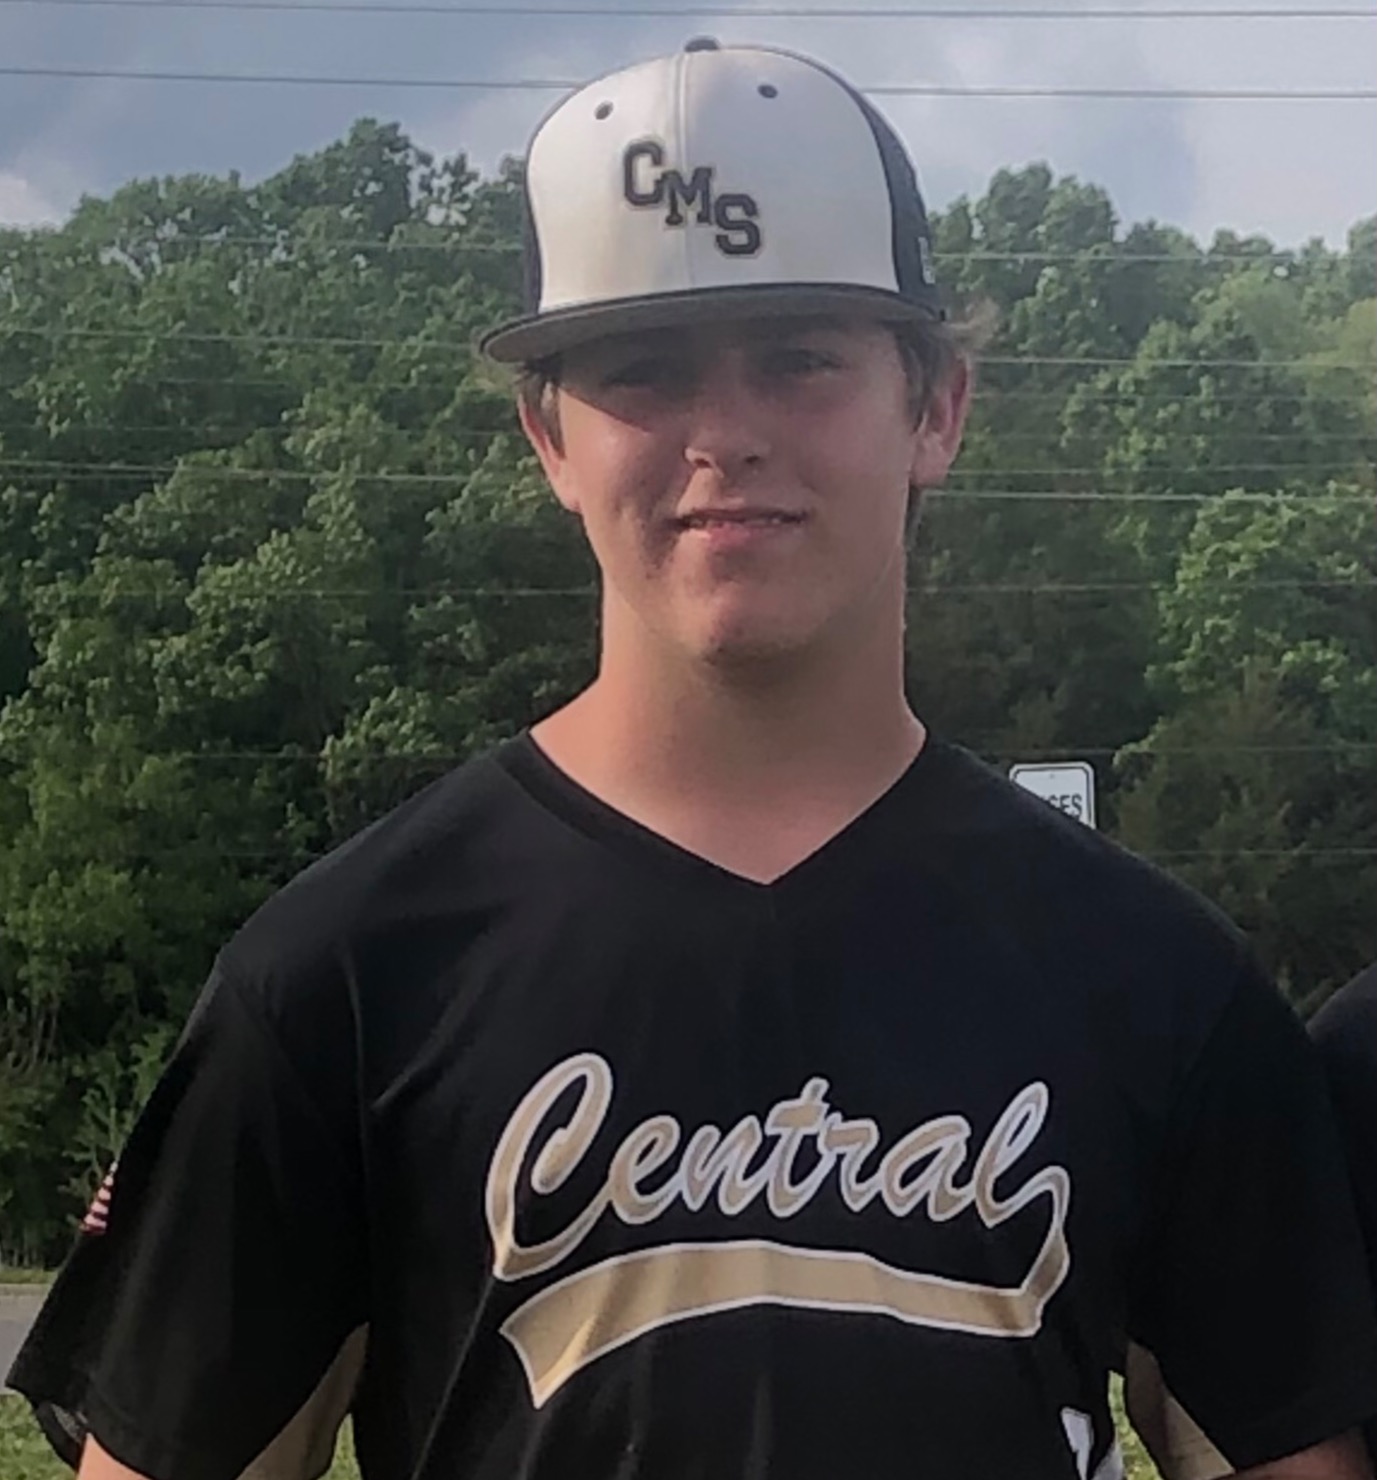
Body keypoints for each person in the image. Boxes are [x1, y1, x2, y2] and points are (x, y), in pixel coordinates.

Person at [8, 39, 1377, 1480]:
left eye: (800, 358)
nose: (726, 436)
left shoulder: (1152, 980)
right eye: (644, 370)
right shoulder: (347, 977)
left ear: (936, 408)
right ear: (547, 434)